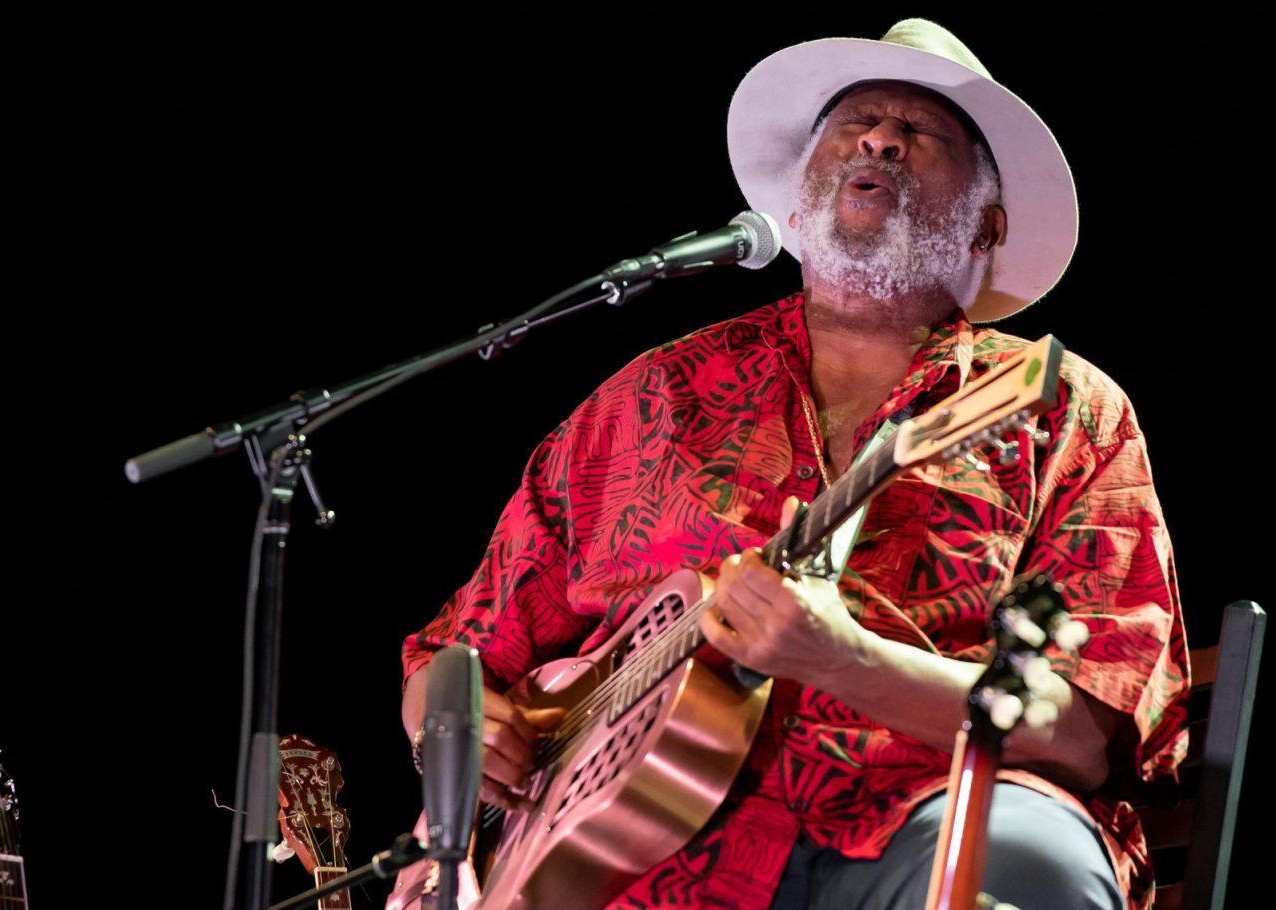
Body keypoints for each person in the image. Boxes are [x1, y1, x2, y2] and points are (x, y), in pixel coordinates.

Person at [398, 19, 1188, 910]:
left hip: (925, 811)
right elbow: (452, 657)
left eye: (922, 135)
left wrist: (844, 660)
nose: (882, 139)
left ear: (987, 228)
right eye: (856, 123)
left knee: (1033, 875)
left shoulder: (1063, 407)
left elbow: (1086, 730)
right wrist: (457, 771)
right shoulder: (652, 395)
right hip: (628, 855)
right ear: (800, 201)